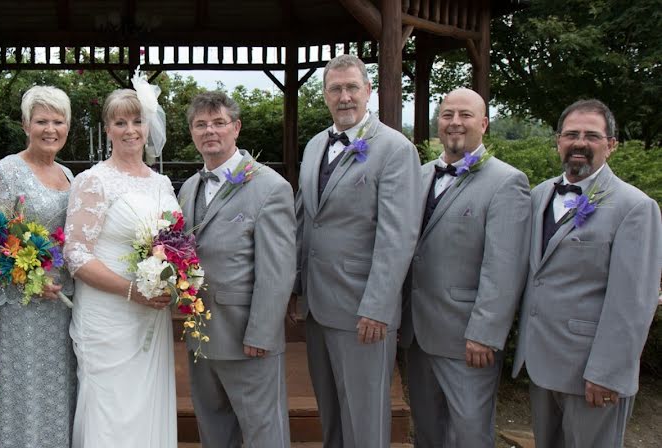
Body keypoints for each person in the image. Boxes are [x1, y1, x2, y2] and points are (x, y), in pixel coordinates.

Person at [512, 99, 662, 447]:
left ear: (611, 145)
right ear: (558, 141)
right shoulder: (539, 195)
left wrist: (607, 373)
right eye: (572, 134)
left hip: (592, 373)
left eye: (592, 135)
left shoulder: (635, 207)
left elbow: (634, 301)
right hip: (541, 363)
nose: (580, 142)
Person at [293, 53, 422, 447]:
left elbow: (397, 236)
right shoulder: (316, 145)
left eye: (352, 87)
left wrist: (378, 306)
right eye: (335, 89)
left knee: (365, 420)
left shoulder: (396, 150)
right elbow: (304, 221)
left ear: (369, 91)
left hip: (363, 310)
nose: (344, 96)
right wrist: (297, 289)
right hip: (318, 306)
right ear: (325, 95)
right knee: (330, 413)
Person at [398, 88, 531, 447]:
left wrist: (486, 333)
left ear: (484, 124)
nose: (455, 122)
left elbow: (504, 267)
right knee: (427, 431)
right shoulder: (420, 175)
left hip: (467, 337)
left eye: (465, 115)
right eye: (447, 115)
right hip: (418, 332)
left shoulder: (507, 182)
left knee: (469, 433)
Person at [178, 92, 296, 447]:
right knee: (214, 430)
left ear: (236, 128)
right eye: (201, 124)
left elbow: (278, 270)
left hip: (247, 336)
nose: (209, 131)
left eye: (218, 122)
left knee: (263, 433)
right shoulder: (187, 188)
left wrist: (261, 333)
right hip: (201, 334)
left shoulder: (270, 187)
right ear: (192, 132)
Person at [63, 88, 177, 448]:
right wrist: (132, 291)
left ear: (149, 126)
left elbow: (177, 245)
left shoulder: (162, 183)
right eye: (120, 122)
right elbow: (76, 255)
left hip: (151, 315)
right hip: (109, 314)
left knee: (146, 404)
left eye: (138, 120)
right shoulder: (94, 181)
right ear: (107, 129)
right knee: (110, 408)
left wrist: (174, 279)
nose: (131, 129)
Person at [0, 85, 77, 447]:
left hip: (65, 302)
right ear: (25, 125)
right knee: (26, 394)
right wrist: (31, 281)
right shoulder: (7, 172)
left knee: (62, 390)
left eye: (58, 121)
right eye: (41, 121)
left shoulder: (69, 175)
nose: (50, 129)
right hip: (22, 305)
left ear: (67, 127)